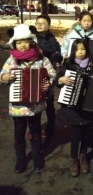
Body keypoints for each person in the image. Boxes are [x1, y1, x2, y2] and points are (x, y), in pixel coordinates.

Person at [0, 24, 56, 173]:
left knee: (36, 131)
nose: (23, 45)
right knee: (19, 133)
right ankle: (20, 159)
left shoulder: (41, 58)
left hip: (35, 105)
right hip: (18, 107)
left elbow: (52, 74)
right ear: (14, 44)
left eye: (25, 41)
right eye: (19, 42)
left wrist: (47, 84)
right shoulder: (12, 59)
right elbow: (2, 74)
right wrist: (5, 77)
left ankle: (37, 157)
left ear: (31, 42)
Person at [56, 39, 93, 177]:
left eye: (83, 49)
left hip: (89, 107)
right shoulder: (68, 64)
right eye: (77, 50)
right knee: (76, 134)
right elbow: (57, 80)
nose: (80, 52)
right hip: (72, 107)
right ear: (73, 51)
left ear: (87, 50)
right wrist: (61, 80)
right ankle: (74, 159)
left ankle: (83, 156)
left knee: (86, 133)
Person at [35, 15, 62, 139]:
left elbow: (58, 54)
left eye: (42, 23)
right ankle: (35, 127)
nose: (39, 25)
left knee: (49, 101)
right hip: (34, 73)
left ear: (48, 26)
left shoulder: (52, 39)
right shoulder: (32, 37)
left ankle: (51, 126)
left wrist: (57, 60)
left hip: (47, 73)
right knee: (34, 100)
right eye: (37, 23)